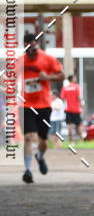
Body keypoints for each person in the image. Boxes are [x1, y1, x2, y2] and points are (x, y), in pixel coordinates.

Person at [17, 33, 65, 183]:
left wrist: (48, 78)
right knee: (28, 137)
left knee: (43, 140)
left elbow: (62, 75)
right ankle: (28, 171)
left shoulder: (48, 59)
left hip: (43, 105)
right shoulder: (19, 61)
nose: (31, 54)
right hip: (25, 104)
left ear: (37, 46)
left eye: (34, 50)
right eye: (28, 51)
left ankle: (40, 156)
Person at [61, 74, 83, 142]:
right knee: (78, 125)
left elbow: (63, 98)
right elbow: (78, 97)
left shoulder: (65, 88)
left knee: (69, 126)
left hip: (68, 109)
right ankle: (81, 141)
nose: (76, 79)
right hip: (76, 109)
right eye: (75, 78)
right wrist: (81, 107)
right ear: (72, 79)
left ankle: (71, 141)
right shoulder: (76, 86)